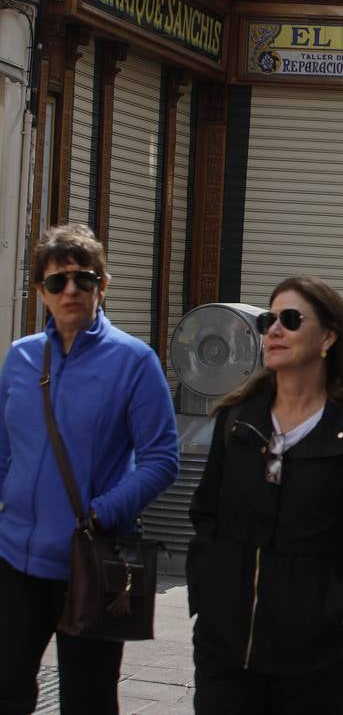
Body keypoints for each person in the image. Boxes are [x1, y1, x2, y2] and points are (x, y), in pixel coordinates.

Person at [188, 276, 343, 714]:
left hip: (321, 660)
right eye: (269, 319)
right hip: (229, 648)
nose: (273, 330)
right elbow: (205, 515)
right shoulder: (235, 420)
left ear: (328, 337)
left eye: (289, 320)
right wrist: (209, 598)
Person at [0, 223, 180, 714]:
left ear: (103, 285)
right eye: (57, 282)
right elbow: (3, 449)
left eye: (83, 279)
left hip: (92, 560)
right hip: (15, 561)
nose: (71, 291)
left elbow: (163, 458)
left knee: (88, 700)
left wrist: (102, 514)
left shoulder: (134, 361)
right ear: (41, 291)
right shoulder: (19, 359)